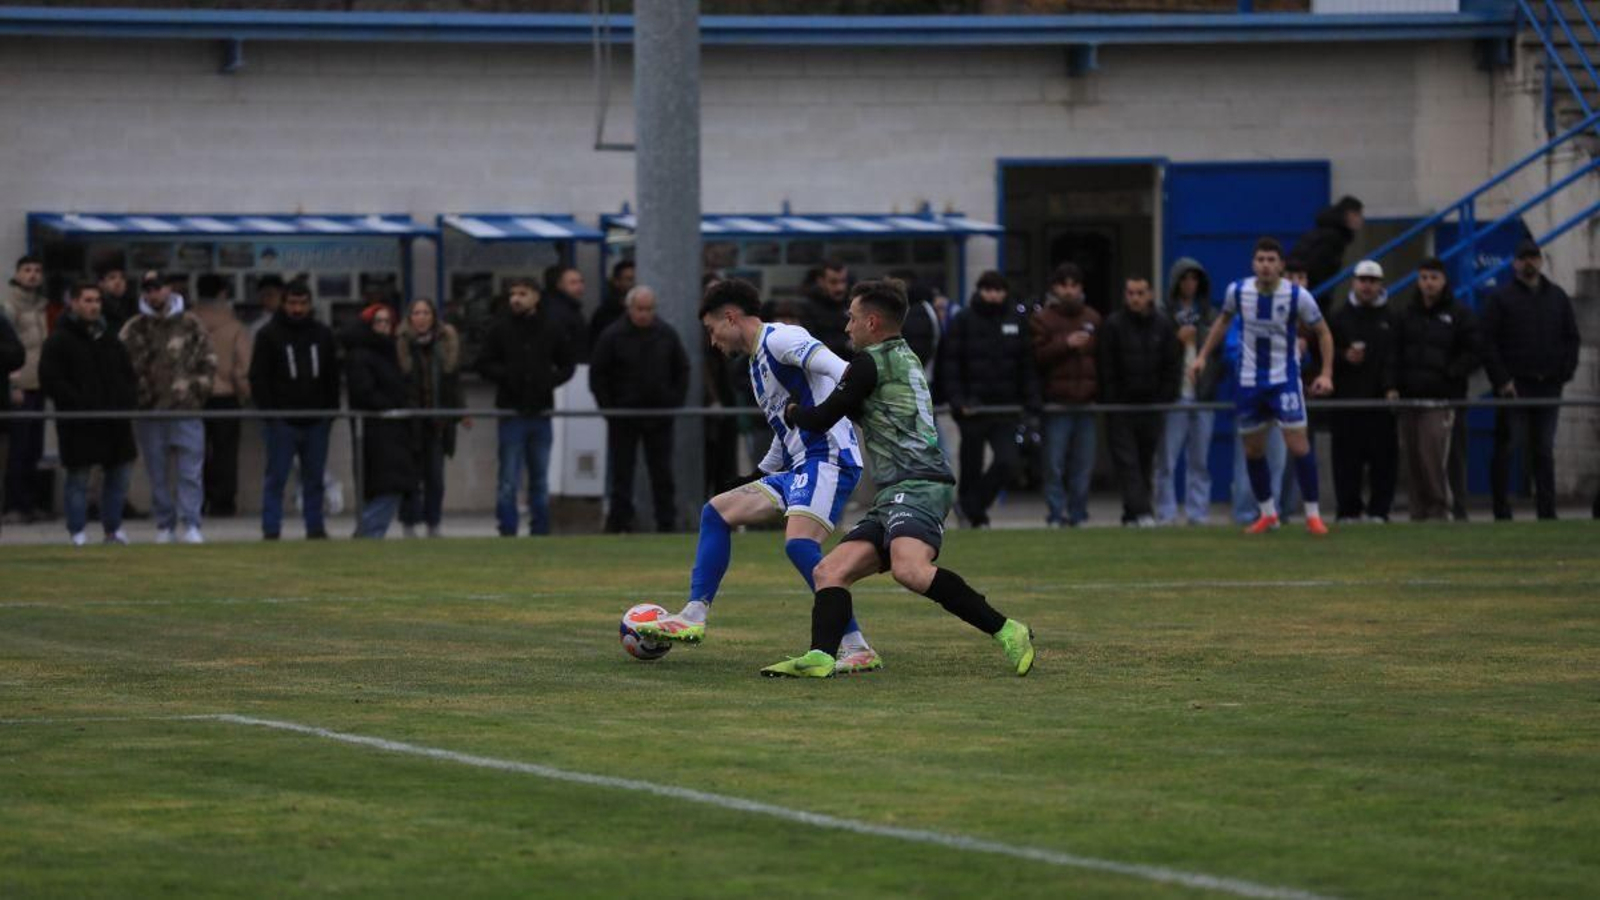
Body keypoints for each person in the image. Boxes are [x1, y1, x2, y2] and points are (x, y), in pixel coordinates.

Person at [761, 278, 1035, 678]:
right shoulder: (903, 356)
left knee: (910, 569)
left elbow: (820, 419)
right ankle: (821, 656)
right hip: (897, 492)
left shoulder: (869, 363)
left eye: (852, 318)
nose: (847, 327)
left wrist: (790, 410)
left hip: (920, 484)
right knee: (829, 572)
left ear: (872, 322)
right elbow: (872, 412)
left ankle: (1009, 630)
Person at [634, 278, 883, 675]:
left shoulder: (781, 338)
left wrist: (835, 416)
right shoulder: (756, 364)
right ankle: (693, 614)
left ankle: (856, 646)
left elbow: (844, 371)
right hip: (799, 465)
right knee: (717, 511)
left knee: (799, 545)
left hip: (829, 459)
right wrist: (756, 475)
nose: (713, 341)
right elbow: (784, 433)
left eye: (712, 329)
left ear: (731, 317)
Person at [1191, 237, 1334, 535]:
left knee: (1298, 444)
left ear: (1281, 265)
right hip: (1249, 381)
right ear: (1253, 264)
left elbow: (1323, 332)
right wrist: (1202, 356)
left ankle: (1313, 515)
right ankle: (1268, 513)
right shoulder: (1238, 291)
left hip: (1284, 380)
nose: (1266, 265)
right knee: (1253, 450)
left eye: (1271, 260)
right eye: (1261, 260)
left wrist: (1326, 373)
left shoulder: (1297, 295)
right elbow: (1222, 322)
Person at [1482, 238, 1581, 520]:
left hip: (1548, 384)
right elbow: (1488, 343)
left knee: (1544, 451)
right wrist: (1502, 380)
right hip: (1515, 386)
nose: (1529, 262)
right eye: (1523, 258)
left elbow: (1572, 338)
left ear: (1541, 260)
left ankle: (1547, 512)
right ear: (1515, 263)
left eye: (1533, 257)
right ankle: (1501, 510)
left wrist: (1564, 373)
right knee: (1507, 448)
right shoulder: (1501, 299)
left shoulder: (1557, 297)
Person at [38, 283, 139, 546]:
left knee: (119, 475)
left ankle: (113, 530)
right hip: (79, 422)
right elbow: (51, 381)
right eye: (87, 300)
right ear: (73, 303)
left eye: (97, 300)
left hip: (114, 422)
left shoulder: (110, 339)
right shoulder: (59, 340)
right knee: (78, 478)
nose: (94, 306)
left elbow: (128, 375)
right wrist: (79, 403)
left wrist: (125, 402)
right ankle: (77, 532)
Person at [120, 270, 216, 544]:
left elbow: (209, 361)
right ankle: (165, 525)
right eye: (149, 289)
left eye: (158, 288)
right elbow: (121, 366)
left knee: (190, 473)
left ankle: (191, 524)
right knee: (157, 473)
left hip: (186, 409)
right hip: (150, 411)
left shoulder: (191, 324)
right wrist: (139, 395)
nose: (154, 294)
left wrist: (196, 393)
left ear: (169, 289)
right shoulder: (134, 328)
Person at [938, 270, 1039, 528]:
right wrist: (958, 399)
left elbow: (1026, 364)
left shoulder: (1016, 321)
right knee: (971, 464)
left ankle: (970, 506)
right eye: (988, 290)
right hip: (972, 407)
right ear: (980, 291)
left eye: (998, 290)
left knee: (1008, 461)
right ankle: (975, 517)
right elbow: (950, 364)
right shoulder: (963, 320)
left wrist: (1031, 400)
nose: (993, 295)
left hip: (1006, 407)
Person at [477, 277, 575, 537]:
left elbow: (568, 364)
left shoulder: (551, 328)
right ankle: (508, 528)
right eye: (513, 294)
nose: (515, 299)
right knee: (508, 477)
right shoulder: (500, 328)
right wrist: (510, 376)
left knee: (540, 477)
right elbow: (483, 363)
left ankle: (540, 528)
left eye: (522, 293)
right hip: (512, 411)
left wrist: (548, 381)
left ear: (536, 297)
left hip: (541, 411)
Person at [589, 285, 690, 533]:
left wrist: (673, 400)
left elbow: (682, 368)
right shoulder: (613, 335)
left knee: (662, 472)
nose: (644, 314)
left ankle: (666, 523)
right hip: (624, 416)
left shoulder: (666, 334)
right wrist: (609, 409)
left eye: (649, 309)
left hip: (659, 415)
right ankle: (619, 522)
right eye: (639, 309)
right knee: (622, 473)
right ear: (629, 308)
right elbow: (598, 374)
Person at [1385, 257, 1480, 521]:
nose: (1428, 283)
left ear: (1444, 280)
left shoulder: (1459, 314)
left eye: (1434, 278)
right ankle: (1418, 512)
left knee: (1434, 456)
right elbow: (1394, 354)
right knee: (1413, 458)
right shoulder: (1406, 315)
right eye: (1424, 278)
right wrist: (1391, 385)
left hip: (1441, 401)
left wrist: (1450, 374)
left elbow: (1475, 351)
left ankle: (1441, 509)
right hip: (1410, 399)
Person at [250, 279, 341, 540]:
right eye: (292, 303)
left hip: (316, 420)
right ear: (283, 304)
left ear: (310, 304)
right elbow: (258, 377)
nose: (297, 309)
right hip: (282, 421)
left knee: (314, 478)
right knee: (276, 478)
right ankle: (271, 529)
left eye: (302, 303)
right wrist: (271, 414)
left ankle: (315, 527)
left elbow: (332, 375)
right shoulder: (268, 335)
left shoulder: (322, 334)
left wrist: (329, 413)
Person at [1098, 276, 1182, 526]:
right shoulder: (1113, 325)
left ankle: (1132, 513)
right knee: (1127, 462)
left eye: (1140, 293)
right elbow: (1106, 366)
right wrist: (1112, 400)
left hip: (1152, 406)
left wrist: (1165, 396)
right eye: (1131, 293)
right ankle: (1143, 511)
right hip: (1122, 407)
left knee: (1145, 461)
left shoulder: (1163, 325)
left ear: (1150, 295)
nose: (1135, 298)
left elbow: (1172, 364)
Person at [1327, 260, 1398, 523]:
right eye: (1362, 280)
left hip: (1380, 404)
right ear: (1353, 282)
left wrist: (1392, 386)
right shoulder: (1338, 318)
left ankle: (1379, 511)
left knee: (1383, 461)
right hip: (1346, 402)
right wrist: (1343, 356)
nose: (1367, 286)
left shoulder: (1392, 319)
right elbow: (1323, 354)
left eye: (1372, 281)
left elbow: (1395, 357)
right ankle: (1348, 511)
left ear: (1380, 284)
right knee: (1346, 460)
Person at [1030, 263, 1100, 527]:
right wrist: (1065, 344)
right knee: (1054, 464)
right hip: (1056, 404)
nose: (1069, 291)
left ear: (1081, 288)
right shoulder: (1042, 319)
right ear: (1054, 288)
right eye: (1063, 285)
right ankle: (1056, 514)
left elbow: (1103, 359)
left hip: (1087, 403)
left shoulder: (1093, 318)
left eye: (1074, 285)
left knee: (1083, 465)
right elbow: (1036, 357)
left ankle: (1078, 514)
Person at [1155, 257, 1221, 526]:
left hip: (1202, 395)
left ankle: (1198, 512)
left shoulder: (1210, 315)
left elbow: (1219, 352)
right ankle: (1166, 512)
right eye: (1184, 279)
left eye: (1194, 279)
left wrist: (1199, 340)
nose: (1189, 284)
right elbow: (1155, 351)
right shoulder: (1163, 315)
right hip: (1175, 395)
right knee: (1167, 459)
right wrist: (1177, 341)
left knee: (1200, 460)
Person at [344, 304, 415, 539]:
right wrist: (392, 404)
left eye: (387, 322)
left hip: (391, 429)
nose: (384, 326)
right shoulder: (361, 354)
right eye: (378, 321)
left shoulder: (389, 351)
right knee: (388, 486)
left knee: (385, 485)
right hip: (377, 429)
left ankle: (368, 533)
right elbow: (365, 392)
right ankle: (368, 534)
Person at [396, 297, 464, 538]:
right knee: (410, 477)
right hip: (411, 422)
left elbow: (453, 381)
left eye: (426, 313)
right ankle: (409, 523)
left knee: (435, 477)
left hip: (437, 421)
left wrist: (461, 410)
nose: (421, 317)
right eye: (417, 313)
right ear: (409, 317)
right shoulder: (402, 343)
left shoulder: (444, 343)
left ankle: (433, 522)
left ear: (433, 317)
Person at [193, 274, 251, 517]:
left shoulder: (187, 322)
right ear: (223, 293)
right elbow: (242, 367)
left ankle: (196, 499)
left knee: (194, 452)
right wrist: (245, 394)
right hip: (225, 395)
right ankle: (223, 502)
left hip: (194, 395)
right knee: (225, 452)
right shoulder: (234, 326)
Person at [5, 255, 48, 523]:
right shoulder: (9, 305)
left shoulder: (41, 306)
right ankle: (14, 505)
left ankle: (30, 503)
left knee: (34, 448)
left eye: (37, 270)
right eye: (27, 270)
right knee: (18, 449)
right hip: (20, 386)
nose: (33, 275)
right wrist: (12, 383)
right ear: (18, 274)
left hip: (38, 384)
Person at [1291, 195, 1364, 305]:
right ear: (1347, 215)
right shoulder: (1333, 238)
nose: (1360, 220)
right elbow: (1317, 267)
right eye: (1357, 215)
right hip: (1315, 291)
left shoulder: (1328, 232)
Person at [801, 258, 852, 361]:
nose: (840, 288)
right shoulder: (807, 308)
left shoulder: (852, 305)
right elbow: (810, 345)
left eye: (843, 281)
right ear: (820, 281)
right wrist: (845, 344)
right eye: (833, 282)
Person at [542, 263, 589, 360]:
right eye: (573, 283)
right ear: (559, 285)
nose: (580, 286)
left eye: (581, 281)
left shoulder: (571, 307)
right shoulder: (556, 310)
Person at [587, 259, 636, 348]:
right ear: (616, 282)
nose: (634, 283)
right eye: (629, 279)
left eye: (635, 279)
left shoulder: (642, 311)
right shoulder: (604, 314)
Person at [95, 262, 137, 332]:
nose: (118, 282)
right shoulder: (96, 308)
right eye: (112, 278)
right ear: (101, 284)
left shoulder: (133, 305)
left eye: (122, 278)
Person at [247, 274, 286, 340]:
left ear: (282, 294)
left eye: (270, 294)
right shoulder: (256, 328)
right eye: (262, 296)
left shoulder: (294, 320)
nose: (265, 299)